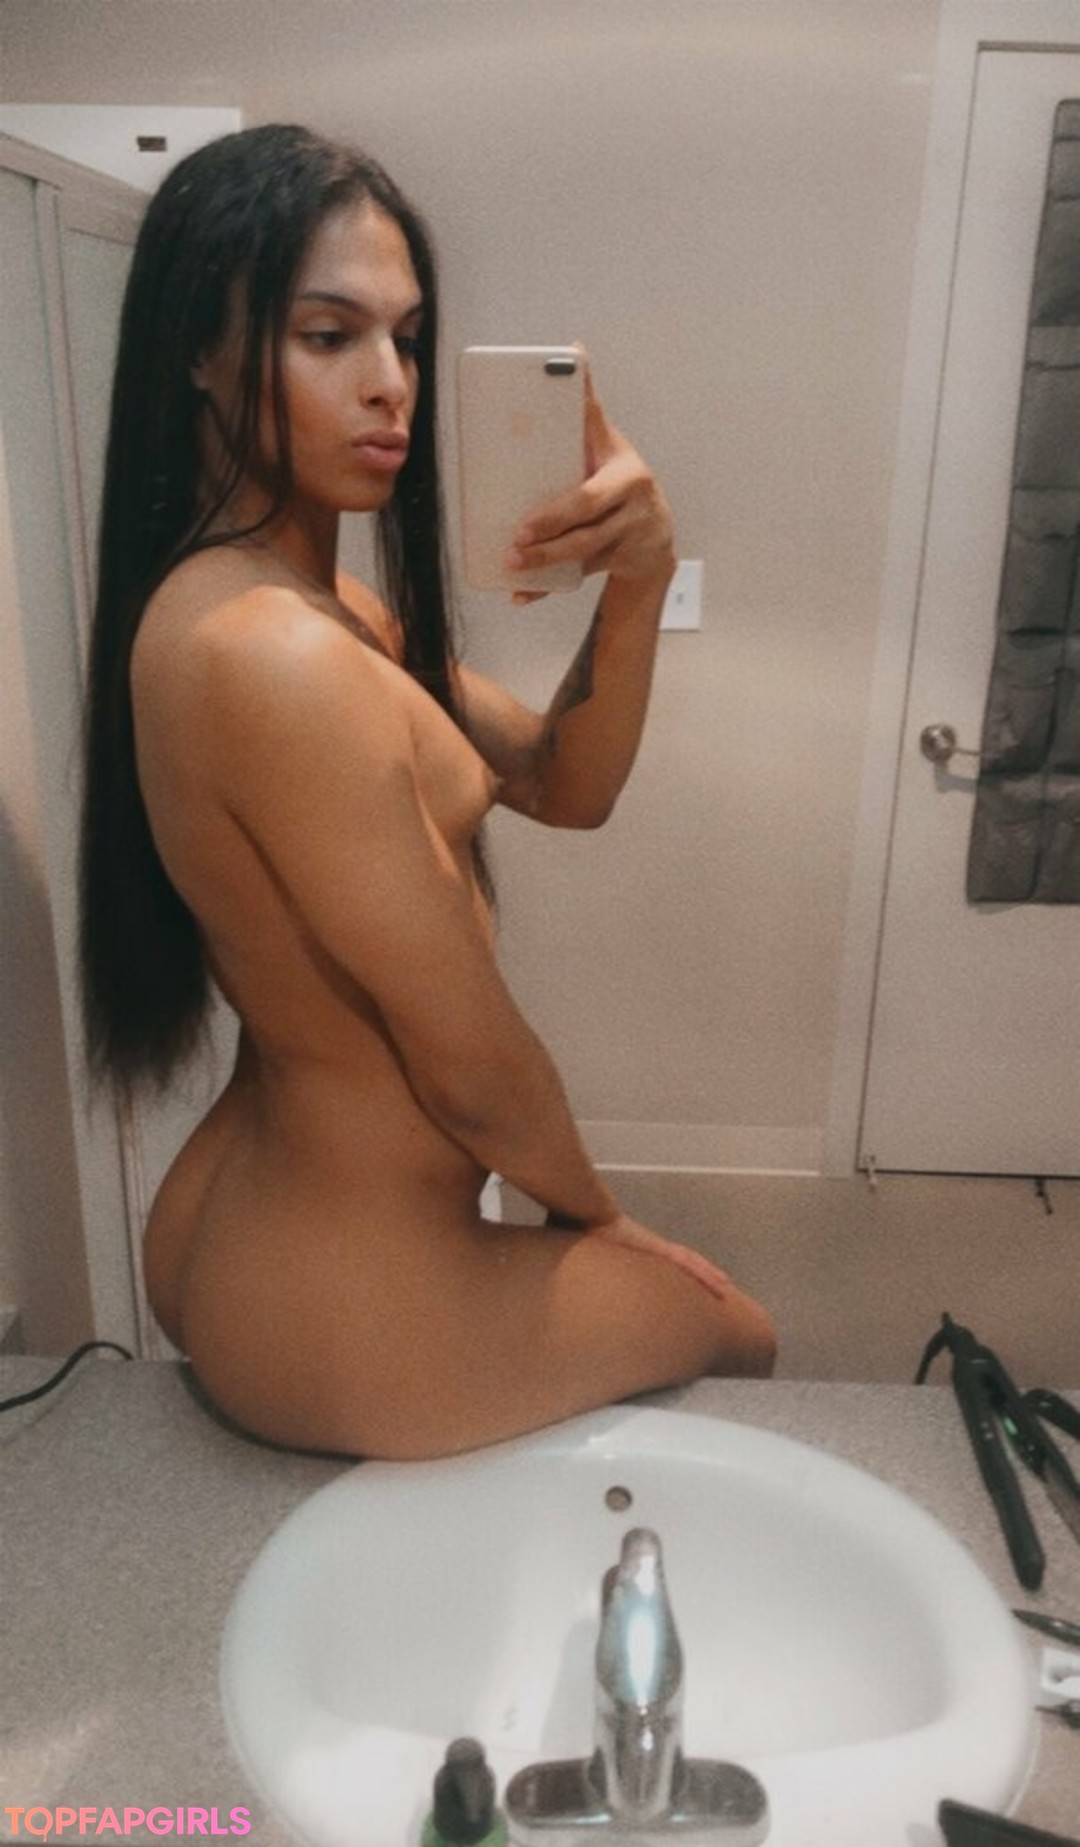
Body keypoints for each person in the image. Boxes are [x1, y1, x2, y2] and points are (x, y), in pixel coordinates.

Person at [79, 124, 775, 1460]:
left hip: (266, 1228)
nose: (390, 385)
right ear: (198, 350)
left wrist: (638, 580)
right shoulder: (276, 656)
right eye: (328, 336)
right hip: (351, 1299)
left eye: (406, 339)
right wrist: (605, 1224)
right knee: (741, 1332)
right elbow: (474, 1067)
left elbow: (562, 783)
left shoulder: (298, 611)